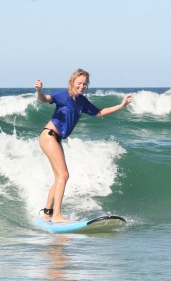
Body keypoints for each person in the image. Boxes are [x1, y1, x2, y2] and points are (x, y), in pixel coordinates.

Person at [35, 68, 133, 223]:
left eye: (85, 84)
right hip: (49, 136)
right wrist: (39, 91)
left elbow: (99, 112)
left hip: (56, 138)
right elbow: (44, 99)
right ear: (72, 82)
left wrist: (120, 106)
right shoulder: (63, 94)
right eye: (79, 83)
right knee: (64, 175)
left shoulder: (81, 101)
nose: (82, 86)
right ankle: (57, 216)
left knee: (59, 177)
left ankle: (48, 212)